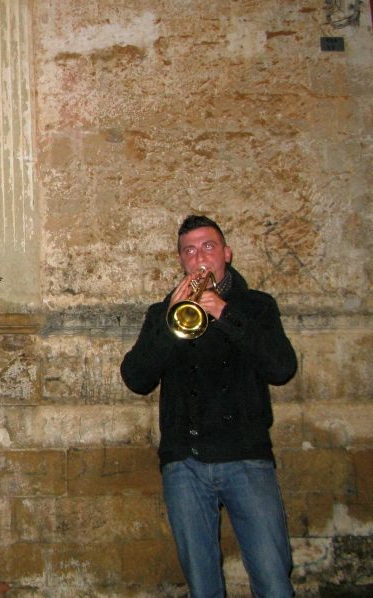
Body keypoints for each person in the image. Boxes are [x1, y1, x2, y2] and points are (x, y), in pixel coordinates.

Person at [120, 215, 297, 598]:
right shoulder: (162, 312)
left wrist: (225, 314)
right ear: (181, 262)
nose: (199, 257)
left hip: (246, 456)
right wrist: (169, 320)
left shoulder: (257, 307)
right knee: (203, 589)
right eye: (189, 250)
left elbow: (282, 368)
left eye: (208, 247)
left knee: (273, 581)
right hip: (185, 461)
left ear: (226, 254)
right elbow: (136, 378)